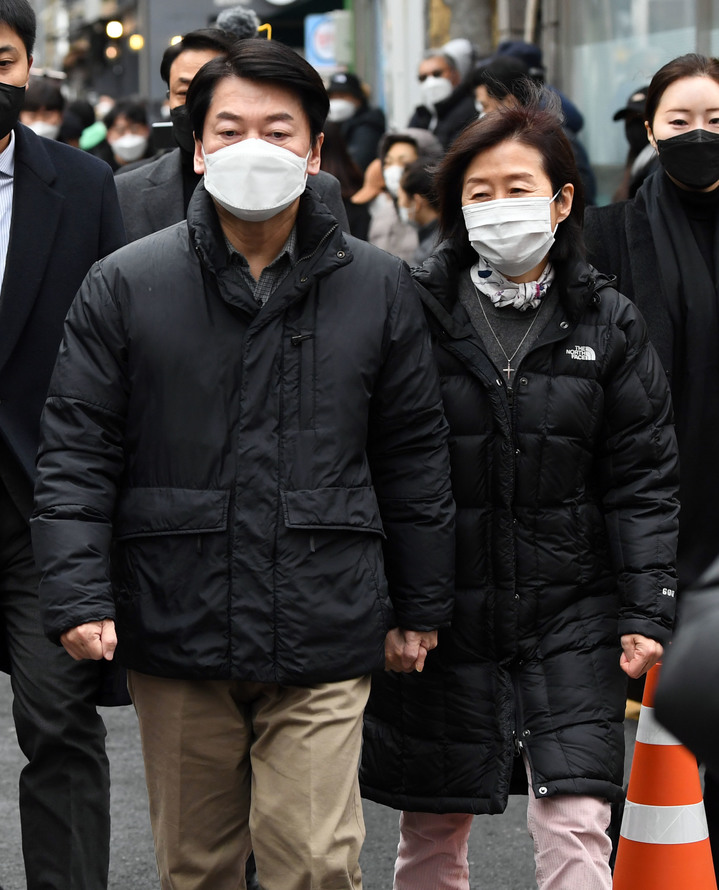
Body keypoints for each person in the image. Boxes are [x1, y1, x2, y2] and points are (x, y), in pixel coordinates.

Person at [31, 37, 455, 890]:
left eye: (278, 128)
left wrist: (420, 603)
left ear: (314, 149)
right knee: (197, 867)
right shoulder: (125, 282)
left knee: (315, 861)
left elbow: (412, 454)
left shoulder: (379, 286)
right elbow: (77, 449)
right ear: (195, 147)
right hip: (177, 611)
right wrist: (78, 594)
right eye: (228, 129)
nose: (252, 147)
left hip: (325, 613)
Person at [360, 93, 679, 890]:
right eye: (478, 191)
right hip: (440, 612)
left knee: (575, 823)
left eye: (516, 187)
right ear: (454, 205)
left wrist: (645, 610)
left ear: (561, 199)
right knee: (432, 828)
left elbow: (639, 476)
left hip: (572, 608)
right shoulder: (409, 310)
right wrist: (399, 606)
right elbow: (371, 459)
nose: (498, 207)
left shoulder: (607, 320)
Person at [584, 50, 719, 882]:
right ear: (648, 131)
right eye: (679, 122)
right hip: (646, 509)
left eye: (715, 122)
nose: (698, 135)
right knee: (644, 733)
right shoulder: (605, 235)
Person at [0, 1, 126, 888]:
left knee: (59, 727)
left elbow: (118, 351)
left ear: (28, 67)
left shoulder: (82, 187)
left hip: (42, 511)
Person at [115, 27, 348, 242]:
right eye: (185, 92)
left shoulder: (319, 188)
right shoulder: (126, 191)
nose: (251, 145)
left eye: (276, 133)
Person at [408, 49, 477, 149]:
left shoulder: (469, 110)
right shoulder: (421, 114)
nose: (430, 82)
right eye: (423, 77)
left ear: (455, 74)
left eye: (437, 74)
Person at [326, 70, 385, 171]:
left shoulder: (369, 125)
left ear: (358, 99)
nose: (336, 101)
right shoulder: (330, 123)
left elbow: (359, 163)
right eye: (332, 97)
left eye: (342, 96)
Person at [611, 86, 657, 201]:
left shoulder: (658, 168)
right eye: (628, 119)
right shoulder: (636, 161)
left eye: (638, 119)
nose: (632, 125)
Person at [397, 159, 440, 265]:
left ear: (417, 202)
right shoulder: (449, 232)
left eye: (401, 198)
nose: (400, 204)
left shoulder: (429, 252)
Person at [104, 97, 152, 170]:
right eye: (120, 131)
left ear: (147, 130)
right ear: (109, 135)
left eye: (135, 129)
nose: (128, 135)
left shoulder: (158, 165)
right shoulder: (101, 171)